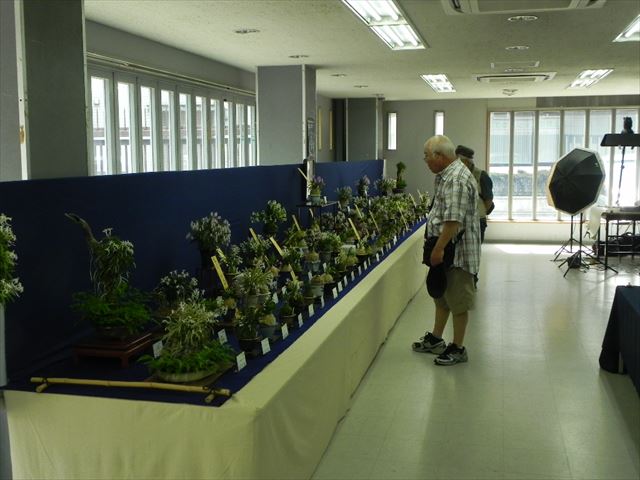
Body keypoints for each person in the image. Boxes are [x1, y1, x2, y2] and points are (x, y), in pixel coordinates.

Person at [412, 135, 481, 366]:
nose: (425, 161)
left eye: (427, 156)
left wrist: (438, 249)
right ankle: (436, 338)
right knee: (442, 296)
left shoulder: (456, 180)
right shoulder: (446, 175)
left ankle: (458, 347)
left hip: (456, 253)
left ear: (439, 156)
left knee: (458, 300)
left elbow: (453, 221)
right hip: (445, 250)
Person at [456, 145, 494, 242]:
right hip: (459, 221)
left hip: (478, 221)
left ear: (466, 161)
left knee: (475, 249)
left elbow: (488, 201)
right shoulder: (457, 175)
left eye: (458, 161)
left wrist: (477, 212)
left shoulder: (481, 176)